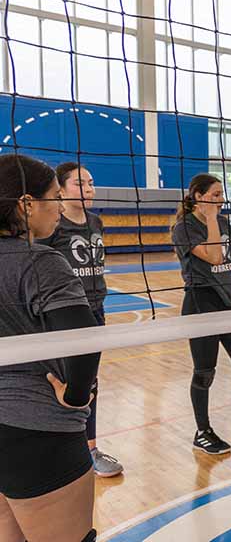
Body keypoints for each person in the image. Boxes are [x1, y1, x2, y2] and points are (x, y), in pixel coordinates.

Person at [0, 154, 101, 542]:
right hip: (38, 430)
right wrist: (77, 397)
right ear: (26, 204)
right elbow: (84, 340)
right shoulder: (40, 262)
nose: (61, 206)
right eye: (54, 197)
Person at [171, 173, 231, 455]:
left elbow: (227, 263)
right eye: (215, 195)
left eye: (221, 194)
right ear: (198, 196)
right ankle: (202, 432)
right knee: (204, 373)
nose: (221, 199)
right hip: (201, 303)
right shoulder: (184, 228)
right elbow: (214, 256)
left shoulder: (225, 222)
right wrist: (212, 218)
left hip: (228, 302)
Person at [37, 162, 122, 478]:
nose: (88, 188)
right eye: (79, 184)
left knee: (89, 382)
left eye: (91, 182)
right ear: (60, 190)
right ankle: (54, 447)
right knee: (54, 381)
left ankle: (90, 450)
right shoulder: (52, 227)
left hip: (95, 311)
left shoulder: (96, 221)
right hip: (61, 316)